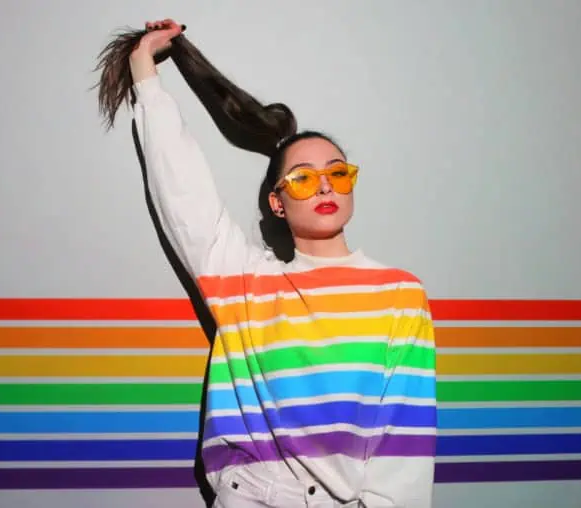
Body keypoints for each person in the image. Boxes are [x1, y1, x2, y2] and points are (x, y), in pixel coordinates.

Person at [95, 19, 437, 508]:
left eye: (338, 173)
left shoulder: (399, 293)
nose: (324, 185)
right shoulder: (246, 282)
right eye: (303, 178)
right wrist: (143, 69)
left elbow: (405, 441)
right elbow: (183, 191)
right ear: (278, 202)